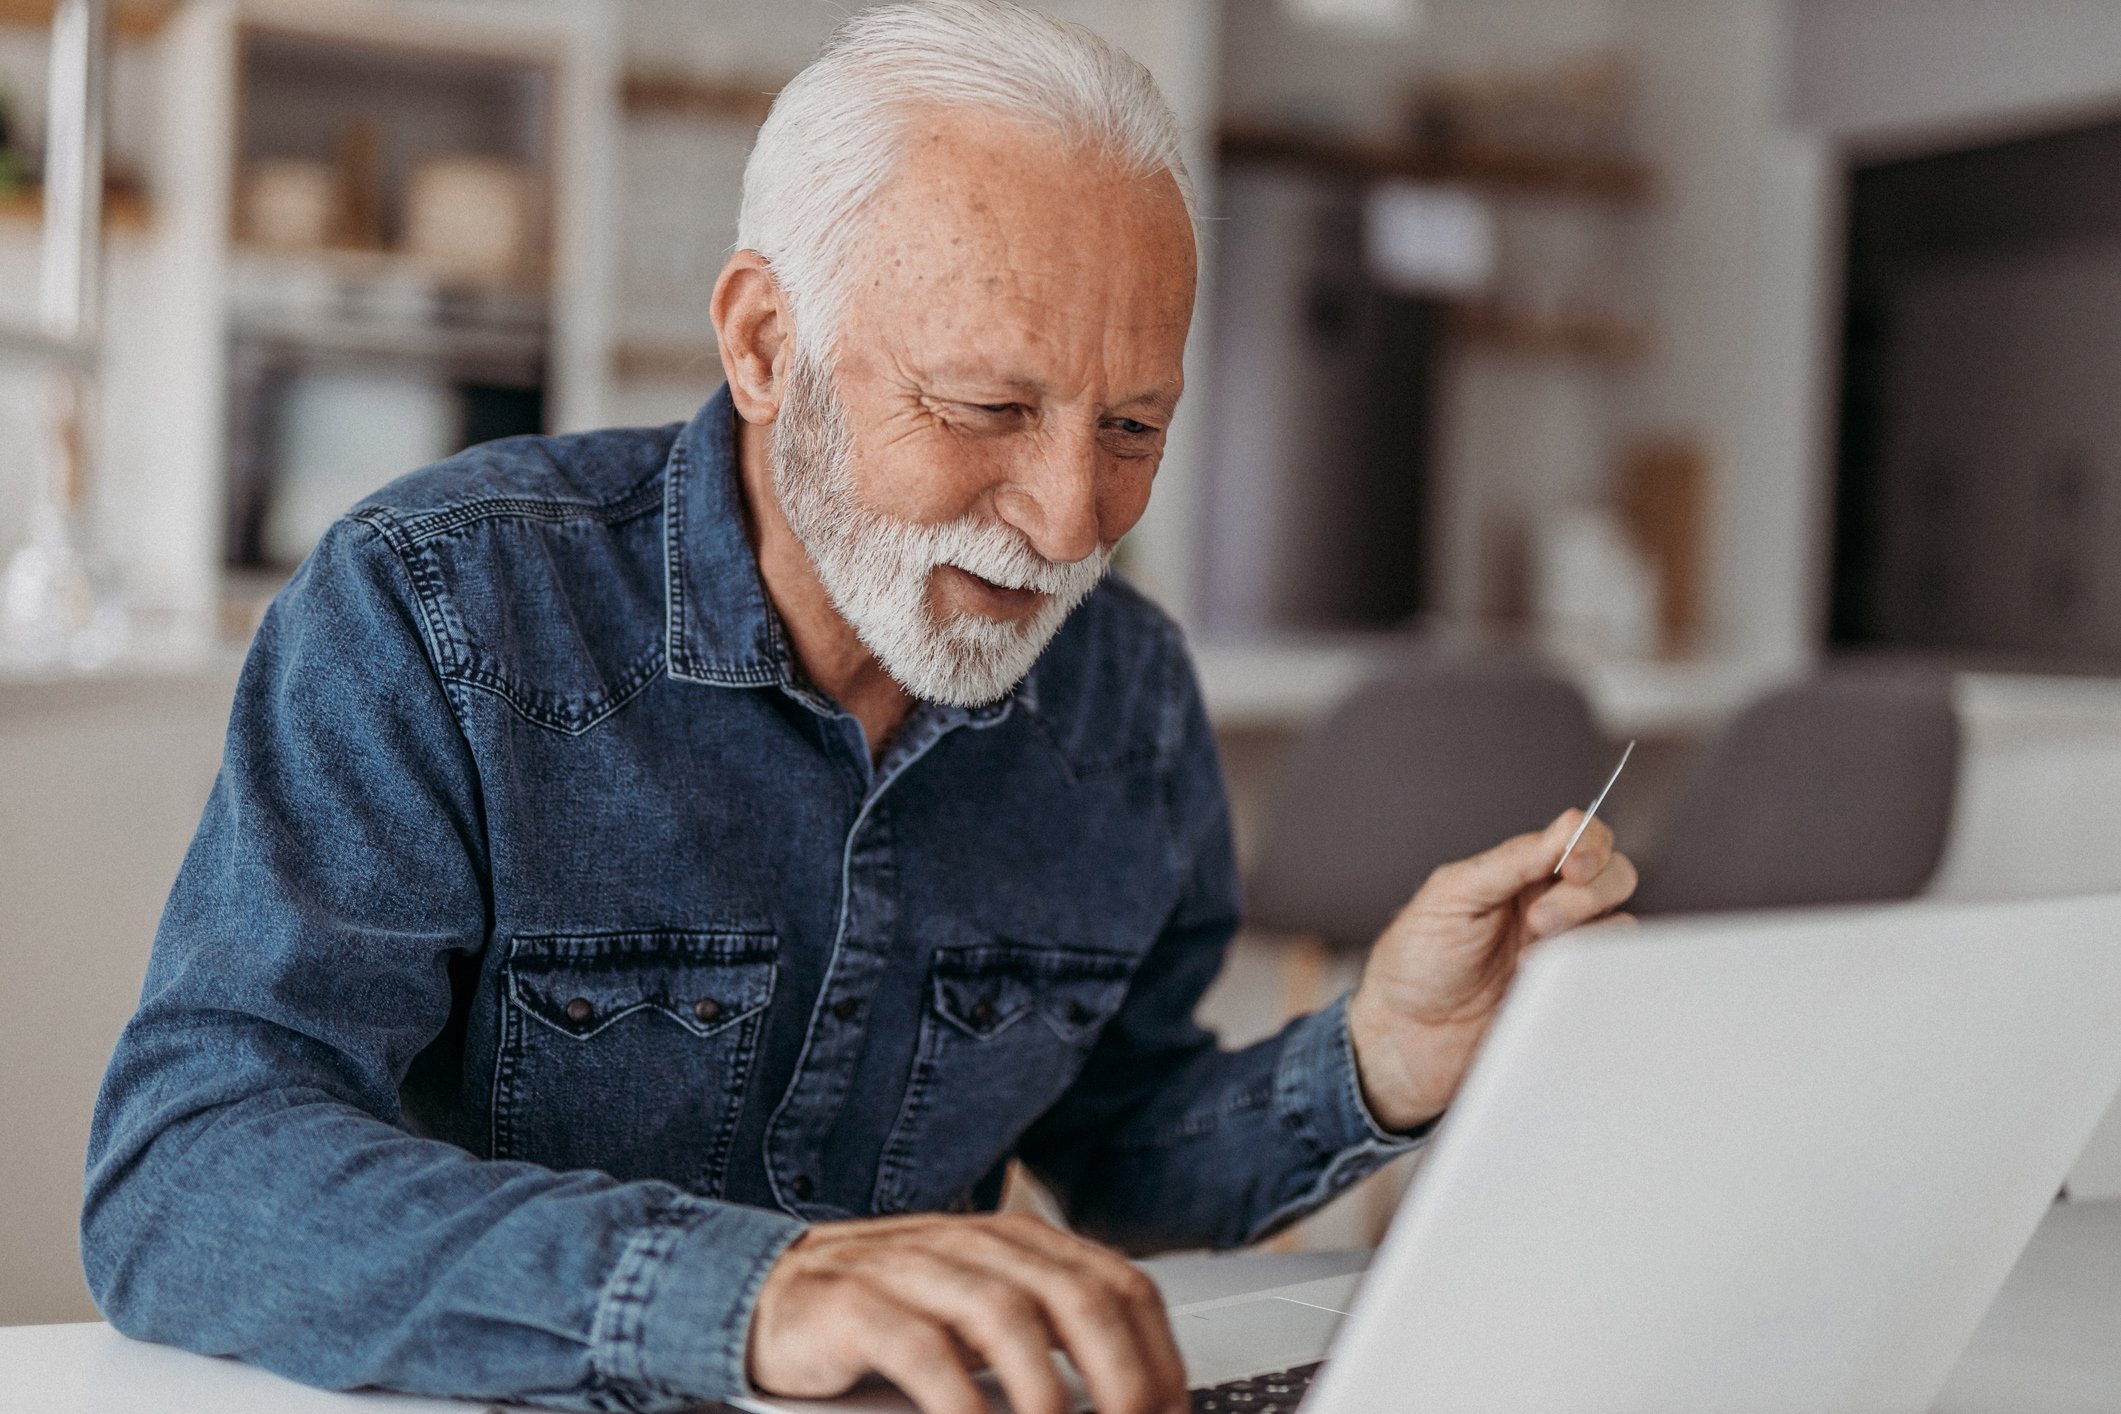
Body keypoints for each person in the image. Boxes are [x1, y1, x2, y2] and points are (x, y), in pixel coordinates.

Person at [82, 4, 1635, 1413]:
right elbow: (188, 1172)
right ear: (766, 344)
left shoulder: (1128, 690)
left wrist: (1381, 1056)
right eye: (985, 410)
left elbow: (1122, 1148)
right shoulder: (441, 608)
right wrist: (737, 1289)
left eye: (1132, 424)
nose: (1066, 518)